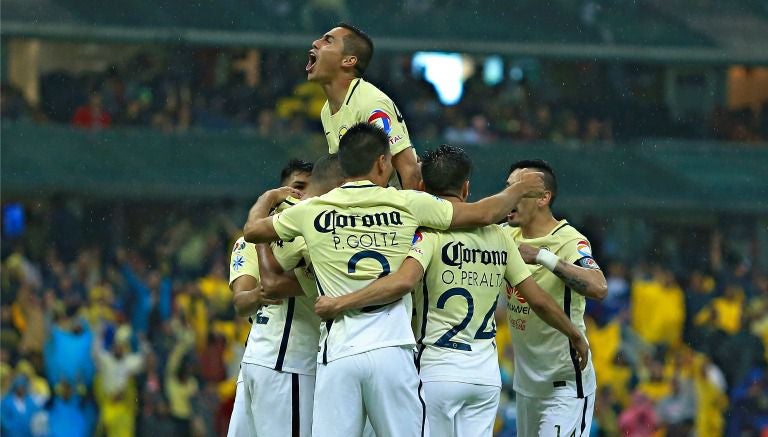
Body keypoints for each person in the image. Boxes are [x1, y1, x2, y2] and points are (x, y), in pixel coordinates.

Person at [242, 122, 546, 437]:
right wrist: (519, 190)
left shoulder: (311, 211)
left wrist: (267, 198)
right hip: (392, 351)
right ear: (382, 162)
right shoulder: (407, 203)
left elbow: (253, 231)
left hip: (339, 351)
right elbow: (483, 214)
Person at [313, 145, 590, 437]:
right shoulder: (500, 236)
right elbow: (539, 301)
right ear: (466, 187)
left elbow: (403, 282)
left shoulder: (426, 234)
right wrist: (574, 334)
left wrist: (341, 302)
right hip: (483, 376)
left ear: (421, 186)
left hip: (437, 370)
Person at [227, 156, 342, 437]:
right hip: (269, 361)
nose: (302, 195)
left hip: (280, 363)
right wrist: (259, 294)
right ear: (281, 192)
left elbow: (275, 285)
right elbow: (242, 302)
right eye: (297, 187)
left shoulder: (313, 240)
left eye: (310, 188)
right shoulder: (247, 242)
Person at [504, 159, 608, 437]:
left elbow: (598, 287)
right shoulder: (504, 234)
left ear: (543, 198)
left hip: (565, 384)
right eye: (507, 189)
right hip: (526, 386)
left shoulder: (569, 240)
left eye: (518, 190)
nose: (508, 197)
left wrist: (542, 256)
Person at [307, 23, 421, 189]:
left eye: (328, 41)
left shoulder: (371, 104)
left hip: (389, 209)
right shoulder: (326, 110)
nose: (316, 43)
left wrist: (405, 214)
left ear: (349, 61)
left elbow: (410, 170)